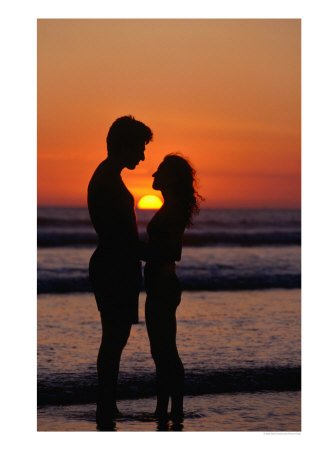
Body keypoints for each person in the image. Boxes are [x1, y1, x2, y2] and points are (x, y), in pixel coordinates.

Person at [87, 115, 153, 428]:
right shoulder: (108, 181)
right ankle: (106, 405)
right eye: (139, 148)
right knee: (114, 339)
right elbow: (120, 237)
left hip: (116, 264)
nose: (142, 156)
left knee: (115, 338)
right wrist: (156, 253)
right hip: (114, 266)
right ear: (123, 145)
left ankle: (107, 405)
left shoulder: (108, 176)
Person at [141, 154, 202, 421]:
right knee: (162, 350)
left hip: (163, 284)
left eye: (160, 172)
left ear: (173, 178)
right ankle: (164, 409)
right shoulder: (171, 206)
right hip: (161, 283)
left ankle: (173, 410)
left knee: (165, 350)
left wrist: (134, 248)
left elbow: (170, 251)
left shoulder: (174, 208)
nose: (154, 176)